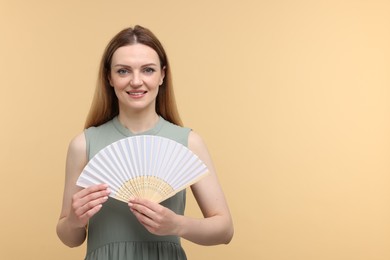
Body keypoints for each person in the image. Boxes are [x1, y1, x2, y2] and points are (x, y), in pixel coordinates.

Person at [56, 25, 234, 260]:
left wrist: (177, 225)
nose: (136, 81)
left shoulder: (188, 142)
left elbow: (225, 230)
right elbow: (70, 238)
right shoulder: (83, 144)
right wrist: (75, 221)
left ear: (162, 75)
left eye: (148, 70)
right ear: (109, 77)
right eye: (123, 71)